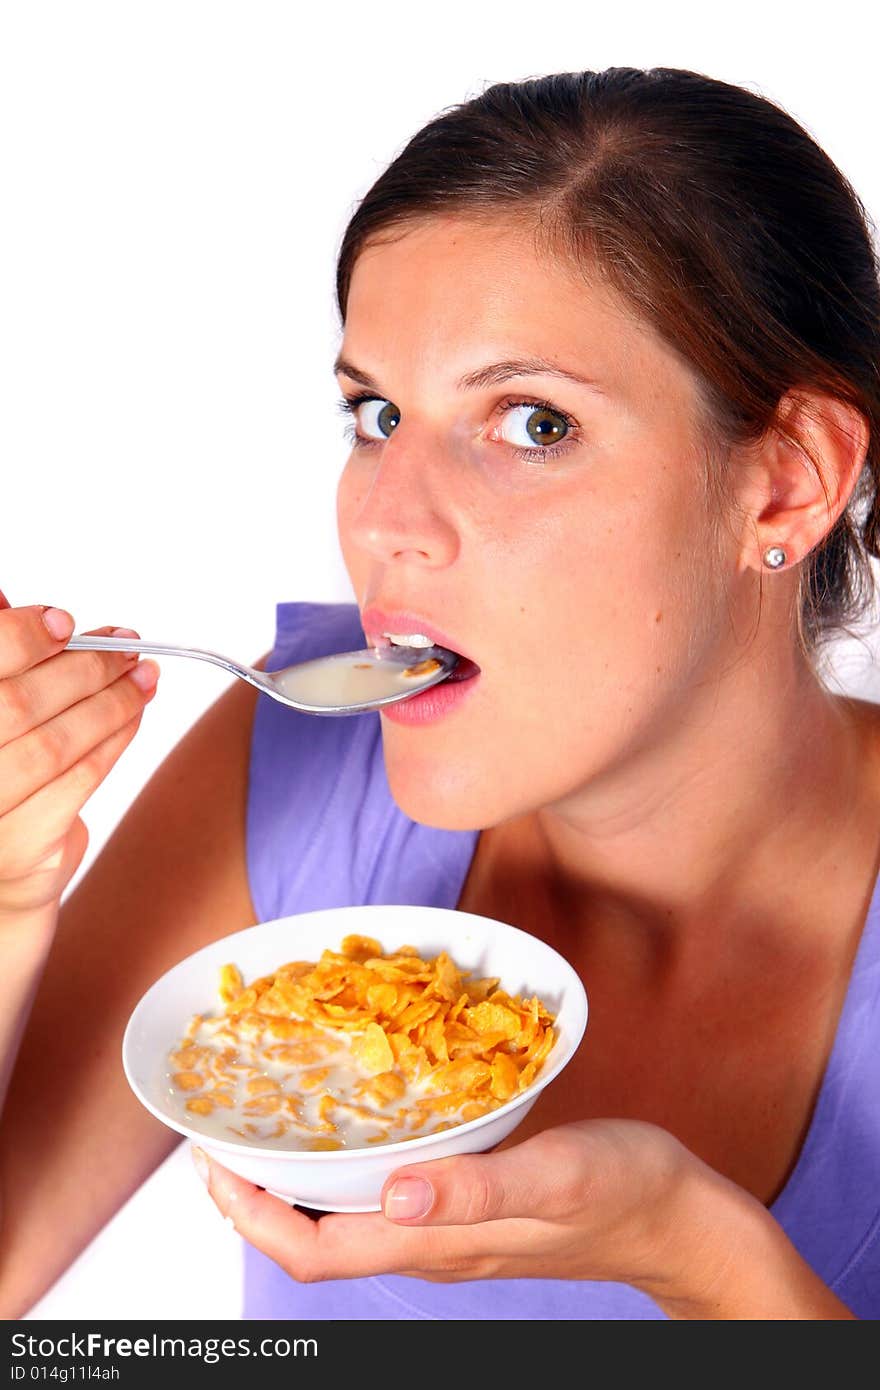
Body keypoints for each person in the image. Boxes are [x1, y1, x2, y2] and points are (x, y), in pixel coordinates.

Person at [1, 64, 878, 1321]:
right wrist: (7, 897)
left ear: (787, 484)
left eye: (532, 423)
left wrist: (697, 1253)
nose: (385, 522)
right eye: (376, 414)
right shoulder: (298, 755)